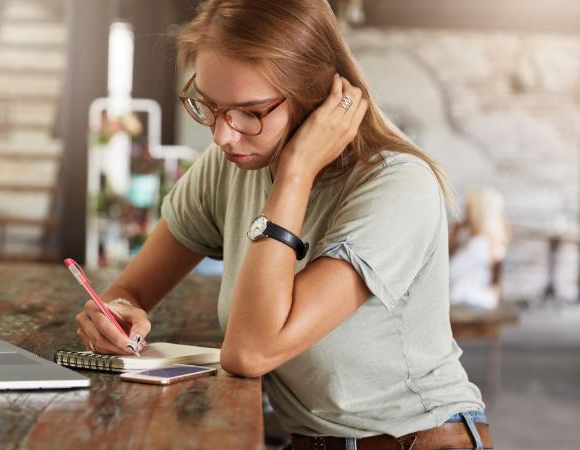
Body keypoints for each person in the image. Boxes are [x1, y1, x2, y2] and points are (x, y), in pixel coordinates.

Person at [75, 0, 492, 448]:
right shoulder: (230, 165)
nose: (222, 135)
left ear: (315, 94)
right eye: (209, 104)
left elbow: (251, 351)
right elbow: (130, 292)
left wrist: (295, 172)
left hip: (416, 440)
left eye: (250, 112)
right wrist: (114, 315)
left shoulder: (397, 186)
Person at [449, 188, 510, 309]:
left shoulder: (478, 244)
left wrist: (452, 238)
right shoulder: (489, 242)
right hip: (480, 299)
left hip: (467, 299)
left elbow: (449, 273)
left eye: (468, 209)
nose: (464, 214)